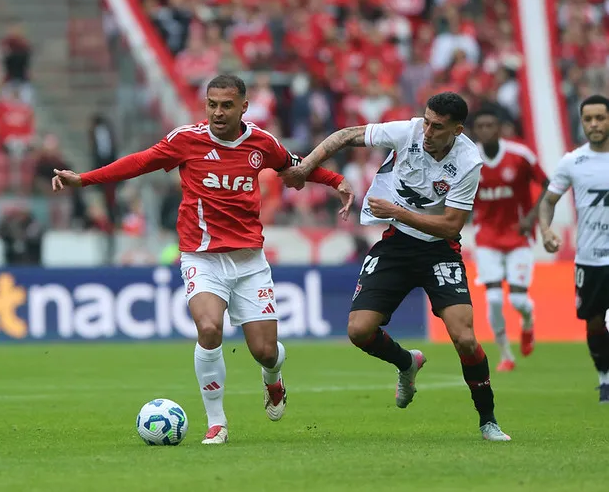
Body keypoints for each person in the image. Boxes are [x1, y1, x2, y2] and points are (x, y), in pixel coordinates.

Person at [52, 74, 354, 444]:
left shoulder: (261, 143)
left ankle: (273, 378)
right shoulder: (186, 140)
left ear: (244, 107)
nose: (218, 112)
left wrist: (336, 180)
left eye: (227, 105)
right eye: (212, 104)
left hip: (249, 262)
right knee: (209, 329)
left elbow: (296, 166)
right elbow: (139, 162)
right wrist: (84, 179)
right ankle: (217, 422)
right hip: (201, 257)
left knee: (265, 352)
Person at [280, 92, 511, 441]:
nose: (428, 131)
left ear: (457, 130)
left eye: (438, 127)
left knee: (464, 338)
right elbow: (344, 136)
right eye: (427, 121)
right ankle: (406, 362)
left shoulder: (468, 161)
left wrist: (397, 211)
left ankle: (488, 420)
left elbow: (451, 226)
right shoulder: (408, 132)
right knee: (359, 331)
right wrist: (305, 168)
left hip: (439, 250)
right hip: (397, 244)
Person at [538, 94, 609, 404]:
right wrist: (545, 229)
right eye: (588, 119)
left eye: (600, 118)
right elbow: (548, 202)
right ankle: (604, 377)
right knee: (594, 322)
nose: (594, 124)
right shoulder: (572, 161)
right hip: (589, 259)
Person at [471, 109, 549, 371]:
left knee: (517, 300)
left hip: (518, 234)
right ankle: (506, 355)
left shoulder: (520, 156)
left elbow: (548, 184)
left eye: (490, 124)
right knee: (493, 299)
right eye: (480, 126)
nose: (485, 130)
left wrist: (532, 217)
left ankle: (528, 322)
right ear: (475, 131)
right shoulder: (469, 159)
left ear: (500, 128)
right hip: (487, 237)